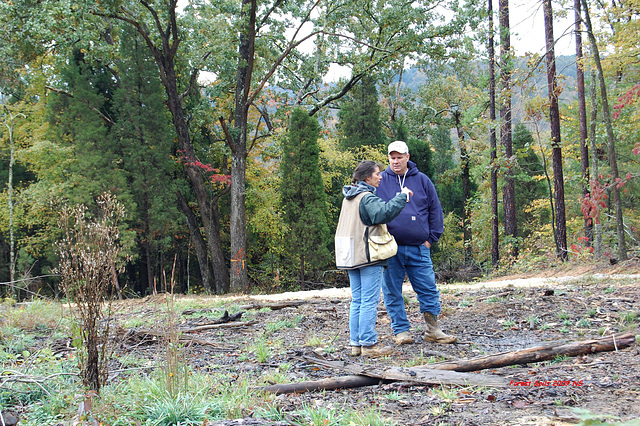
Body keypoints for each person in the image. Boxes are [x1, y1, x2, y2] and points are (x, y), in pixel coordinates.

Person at [377, 141, 457, 344]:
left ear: (407, 157)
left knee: (428, 288)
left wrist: (431, 239)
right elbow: (374, 211)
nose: (395, 161)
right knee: (392, 290)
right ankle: (401, 331)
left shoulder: (422, 180)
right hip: (390, 249)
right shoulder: (381, 181)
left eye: (399, 157)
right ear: (389, 158)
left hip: (419, 247)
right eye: (392, 157)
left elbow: (435, 210)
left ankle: (433, 329)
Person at [335, 160, 413, 357]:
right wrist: (402, 197)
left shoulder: (349, 197)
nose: (380, 176)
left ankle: (356, 344)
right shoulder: (366, 197)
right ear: (367, 177)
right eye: (377, 173)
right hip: (368, 255)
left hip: (351, 256)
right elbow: (383, 213)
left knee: (358, 300)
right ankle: (369, 344)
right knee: (369, 301)